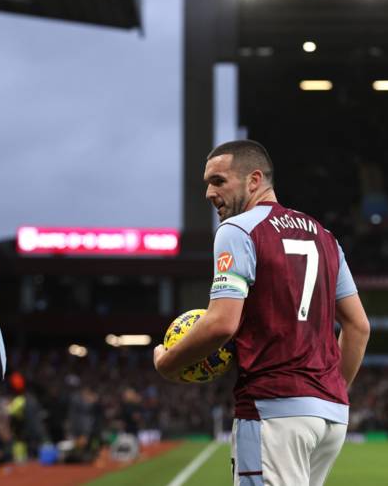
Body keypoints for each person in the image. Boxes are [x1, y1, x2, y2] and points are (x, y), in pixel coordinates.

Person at [154, 139, 370, 486]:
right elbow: (358, 326)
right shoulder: (326, 237)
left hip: (274, 408)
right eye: (207, 183)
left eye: (219, 181)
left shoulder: (237, 230)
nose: (210, 193)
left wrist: (168, 362)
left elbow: (222, 322)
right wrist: (324, 392)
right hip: (329, 416)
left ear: (254, 180)